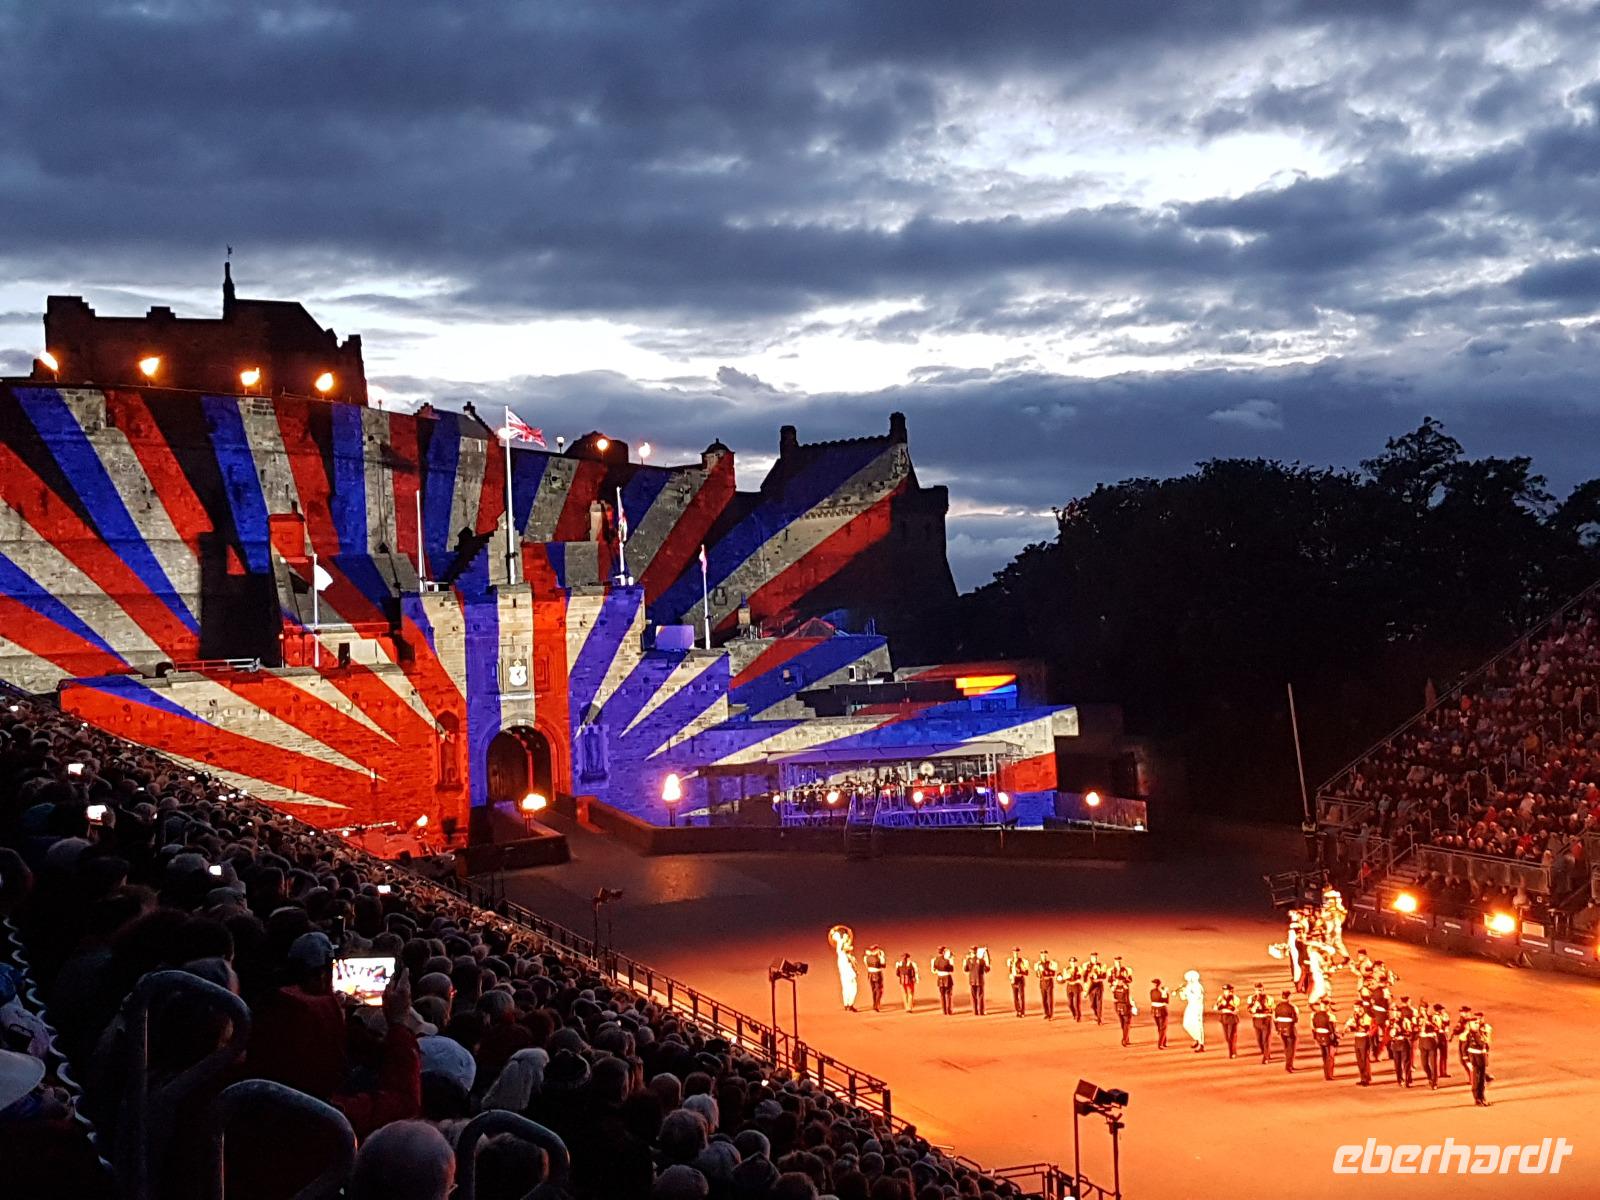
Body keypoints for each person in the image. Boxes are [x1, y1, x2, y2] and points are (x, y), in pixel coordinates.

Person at [828, 925, 859, 1011]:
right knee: (852, 988)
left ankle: (847, 1004)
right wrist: (842, 938)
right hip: (847, 974)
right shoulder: (842, 955)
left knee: (846, 988)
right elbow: (840, 945)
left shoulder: (846, 956)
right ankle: (849, 1004)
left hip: (847, 974)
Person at [1465, 1012, 1493, 1106]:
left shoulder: (1480, 1032)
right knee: (1476, 1080)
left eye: (1477, 1023)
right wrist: (1467, 1061)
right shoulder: (1470, 1034)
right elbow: (1464, 1048)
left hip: (1482, 1057)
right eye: (1474, 1023)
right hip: (1475, 1059)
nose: (1476, 1025)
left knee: (1481, 1080)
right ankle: (1477, 1099)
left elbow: (1486, 1045)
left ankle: (1482, 1097)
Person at [1344, 1008, 1374, 1086]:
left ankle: (1367, 1079)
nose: (1356, 1010)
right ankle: (1362, 1078)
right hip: (1357, 1038)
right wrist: (1349, 1027)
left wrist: (1354, 1026)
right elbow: (1349, 1027)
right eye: (1355, 1008)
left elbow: (1365, 1028)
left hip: (1364, 1038)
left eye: (1357, 1008)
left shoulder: (1366, 1016)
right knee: (1359, 1060)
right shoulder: (1354, 1016)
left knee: (1364, 1059)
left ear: (1362, 1008)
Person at [1179, 970, 1205, 1052]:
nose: (1188, 981)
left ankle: (1201, 1044)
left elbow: (1197, 997)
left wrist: (1188, 992)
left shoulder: (1198, 986)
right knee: (1186, 1024)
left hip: (1197, 1006)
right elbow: (1183, 998)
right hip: (1190, 1005)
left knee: (1198, 1025)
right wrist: (1181, 991)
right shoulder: (1188, 986)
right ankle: (1196, 1038)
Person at [1311, 999, 1338, 1080]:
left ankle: (1326, 1073)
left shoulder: (1315, 1015)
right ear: (1327, 1006)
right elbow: (1333, 1029)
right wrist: (1336, 1039)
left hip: (1319, 1036)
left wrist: (1315, 1037)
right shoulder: (1330, 1016)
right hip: (1329, 1038)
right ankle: (1329, 1074)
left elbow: (1313, 1027)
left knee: (1324, 1056)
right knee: (1330, 1056)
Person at [1387, 1009, 1415, 1088]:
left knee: (1406, 1063)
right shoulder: (1391, 1022)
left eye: (1397, 1013)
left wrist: (1401, 1031)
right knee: (1397, 1064)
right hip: (1395, 1044)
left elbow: (1410, 1032)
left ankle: (1407, 1080)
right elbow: (1388, 1032)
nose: (1396, 1014)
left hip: (1403, 1043)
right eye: (1394, 1012)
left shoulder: (1405, 1021)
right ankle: (1400, 1080)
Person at [1273, 990, 1298, 1072]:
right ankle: (1289, 1065)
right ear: (1289, 997)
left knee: (1286, 1047)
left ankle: (1289, 1064)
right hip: (1290, 1029)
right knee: (1291, 1048)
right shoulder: (1292, 1007)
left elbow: (1275, 1019)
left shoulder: (1277, 1006)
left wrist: (1277, 1028)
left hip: (1281, 1029)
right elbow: (1295, 1019)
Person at [1247, 983, 1273, 1064]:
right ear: (1255, 991)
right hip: (1256, 1019)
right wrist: (1255, 1006)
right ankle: (1265, 1052)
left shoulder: (1269, 998)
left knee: (1266, 1039)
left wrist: (1265, 1006)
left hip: (1265, 1019)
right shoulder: (1251, 998)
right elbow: (1249, 1010)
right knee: (1259, 1040)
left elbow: (1271, 1010)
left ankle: (1266, 1057)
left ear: (1263, 990)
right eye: (1257, 990)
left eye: (1261, 990)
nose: (1259, 992)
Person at [1214, 983, 1239, 1059]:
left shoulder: (1235, 998)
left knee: (1231, 1036)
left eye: (1227, 991)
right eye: (1224, 991)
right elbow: (1216, 1007)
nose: (1225, 992)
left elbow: (1234, 1009)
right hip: (1224, 1017)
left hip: (1232, 1018)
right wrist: (1221, 1005)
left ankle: (1232, 1053)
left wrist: (1225, 1005)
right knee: (1227, 1037)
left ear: (1231, 991)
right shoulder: (1221, 998)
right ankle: (1233, 1050)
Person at [962, 946, 989, 1016]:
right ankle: (981, 1011)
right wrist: (987, 961)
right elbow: (987, 970)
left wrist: (964, 962)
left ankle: (975, 1011)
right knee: (980, 996)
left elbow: (966, 969)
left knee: (973, 996)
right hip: (980, 980)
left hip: (972, 980)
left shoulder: (968, 960)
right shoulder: (981, 960)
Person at [1006, 948, 1030, 1017]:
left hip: (1020, 979)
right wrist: (1011, 976)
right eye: (1014, 952)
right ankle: (1018, 1010)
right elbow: (1010, 970)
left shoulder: (1022, 961)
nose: (1015, 954)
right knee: (1015, 996)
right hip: (1013, 979)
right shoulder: (1011, 961)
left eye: (1016, 952)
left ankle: (1022, 1011)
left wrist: (1021, 970)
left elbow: (1026, 972)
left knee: (1021, 996)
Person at [1113, 977, 1136, 1046]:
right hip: (1125, 1007)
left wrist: (1116, 1008)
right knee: (1127, 1024)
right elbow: (1127, 999)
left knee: (1122, 1024)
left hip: (1118, 1007)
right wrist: (1131, 1007)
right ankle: (1124, 1039)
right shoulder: (1126, 989)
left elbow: (1115, 998)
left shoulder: (1116, 988)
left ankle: (1126, 1038)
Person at [863, 944, 887, 1012]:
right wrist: (882, 956)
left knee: (873, 990)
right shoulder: (879, 957)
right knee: (879, 990)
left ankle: (874, 1004)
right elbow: (883, 965)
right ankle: (877, 1004)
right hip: (877, 974)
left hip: (870, 974)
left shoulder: (866, 957)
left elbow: (866, 965)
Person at [932, 946, 955, 1016]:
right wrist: (951, 959)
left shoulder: (935, 960)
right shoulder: (948, 960)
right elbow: (952, 969)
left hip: (940, 977)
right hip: (947, 977)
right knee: (948, 995)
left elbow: (933, 970)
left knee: (942, 995)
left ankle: (944, 1011)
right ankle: (949, 1010)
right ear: (944, 952)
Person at [1036, 951, 1059, 1020]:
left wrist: (1045, 970)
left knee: (1050, 999)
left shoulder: (1050, 963)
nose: (1044, 957)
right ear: (1040, 956)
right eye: (1042, 955)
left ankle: (1051, 1014)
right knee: (1044, 999)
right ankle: (1046, 1013)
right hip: (1042, 982)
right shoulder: (1038, 964)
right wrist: (1039, 972)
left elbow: (1053, 973)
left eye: (1045, 955)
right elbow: (1037, 975)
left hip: (1049, 981)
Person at [1084, 953, 1106, 1024]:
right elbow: (1085, 976)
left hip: (1098, 986)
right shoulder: (1087, 966)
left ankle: (1099, 1019)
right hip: (1091, 987)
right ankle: (1097, 1015)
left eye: (1096, 958)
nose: (1095, 959)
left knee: (1099, 1003)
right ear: (1091, 958)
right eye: (1093, 958)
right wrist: (1085, 986)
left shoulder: (1101, 965)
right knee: (1092, 1005)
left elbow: (1104, 976)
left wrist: (1098, 978)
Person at [1149, 978, 1170, 1049]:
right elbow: (1166, 1001)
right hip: (1162, 1010)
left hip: (1154, 1010)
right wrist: (1164, 993)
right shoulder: (1164, 992)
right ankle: (1161, 1044)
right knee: (1163, 1028)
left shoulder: (1152, 991)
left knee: (1159, 1027)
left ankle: (1164, 1041)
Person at [1062, 956, 1083, 1022]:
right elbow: (1064, 978)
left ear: (1076, 962)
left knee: (1076, 1003)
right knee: (1070, 1004)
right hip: (1069, 986)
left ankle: (1078, 1016)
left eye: (1074, 962)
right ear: (1070, 962)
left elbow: (1079, 977)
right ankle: (1074, 1014)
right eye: (1071, 962)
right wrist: (1066, 976)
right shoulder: (1067, 969)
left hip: (1076, 986)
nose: (1073, 963)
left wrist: (1072, 976)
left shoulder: (1079, 969)